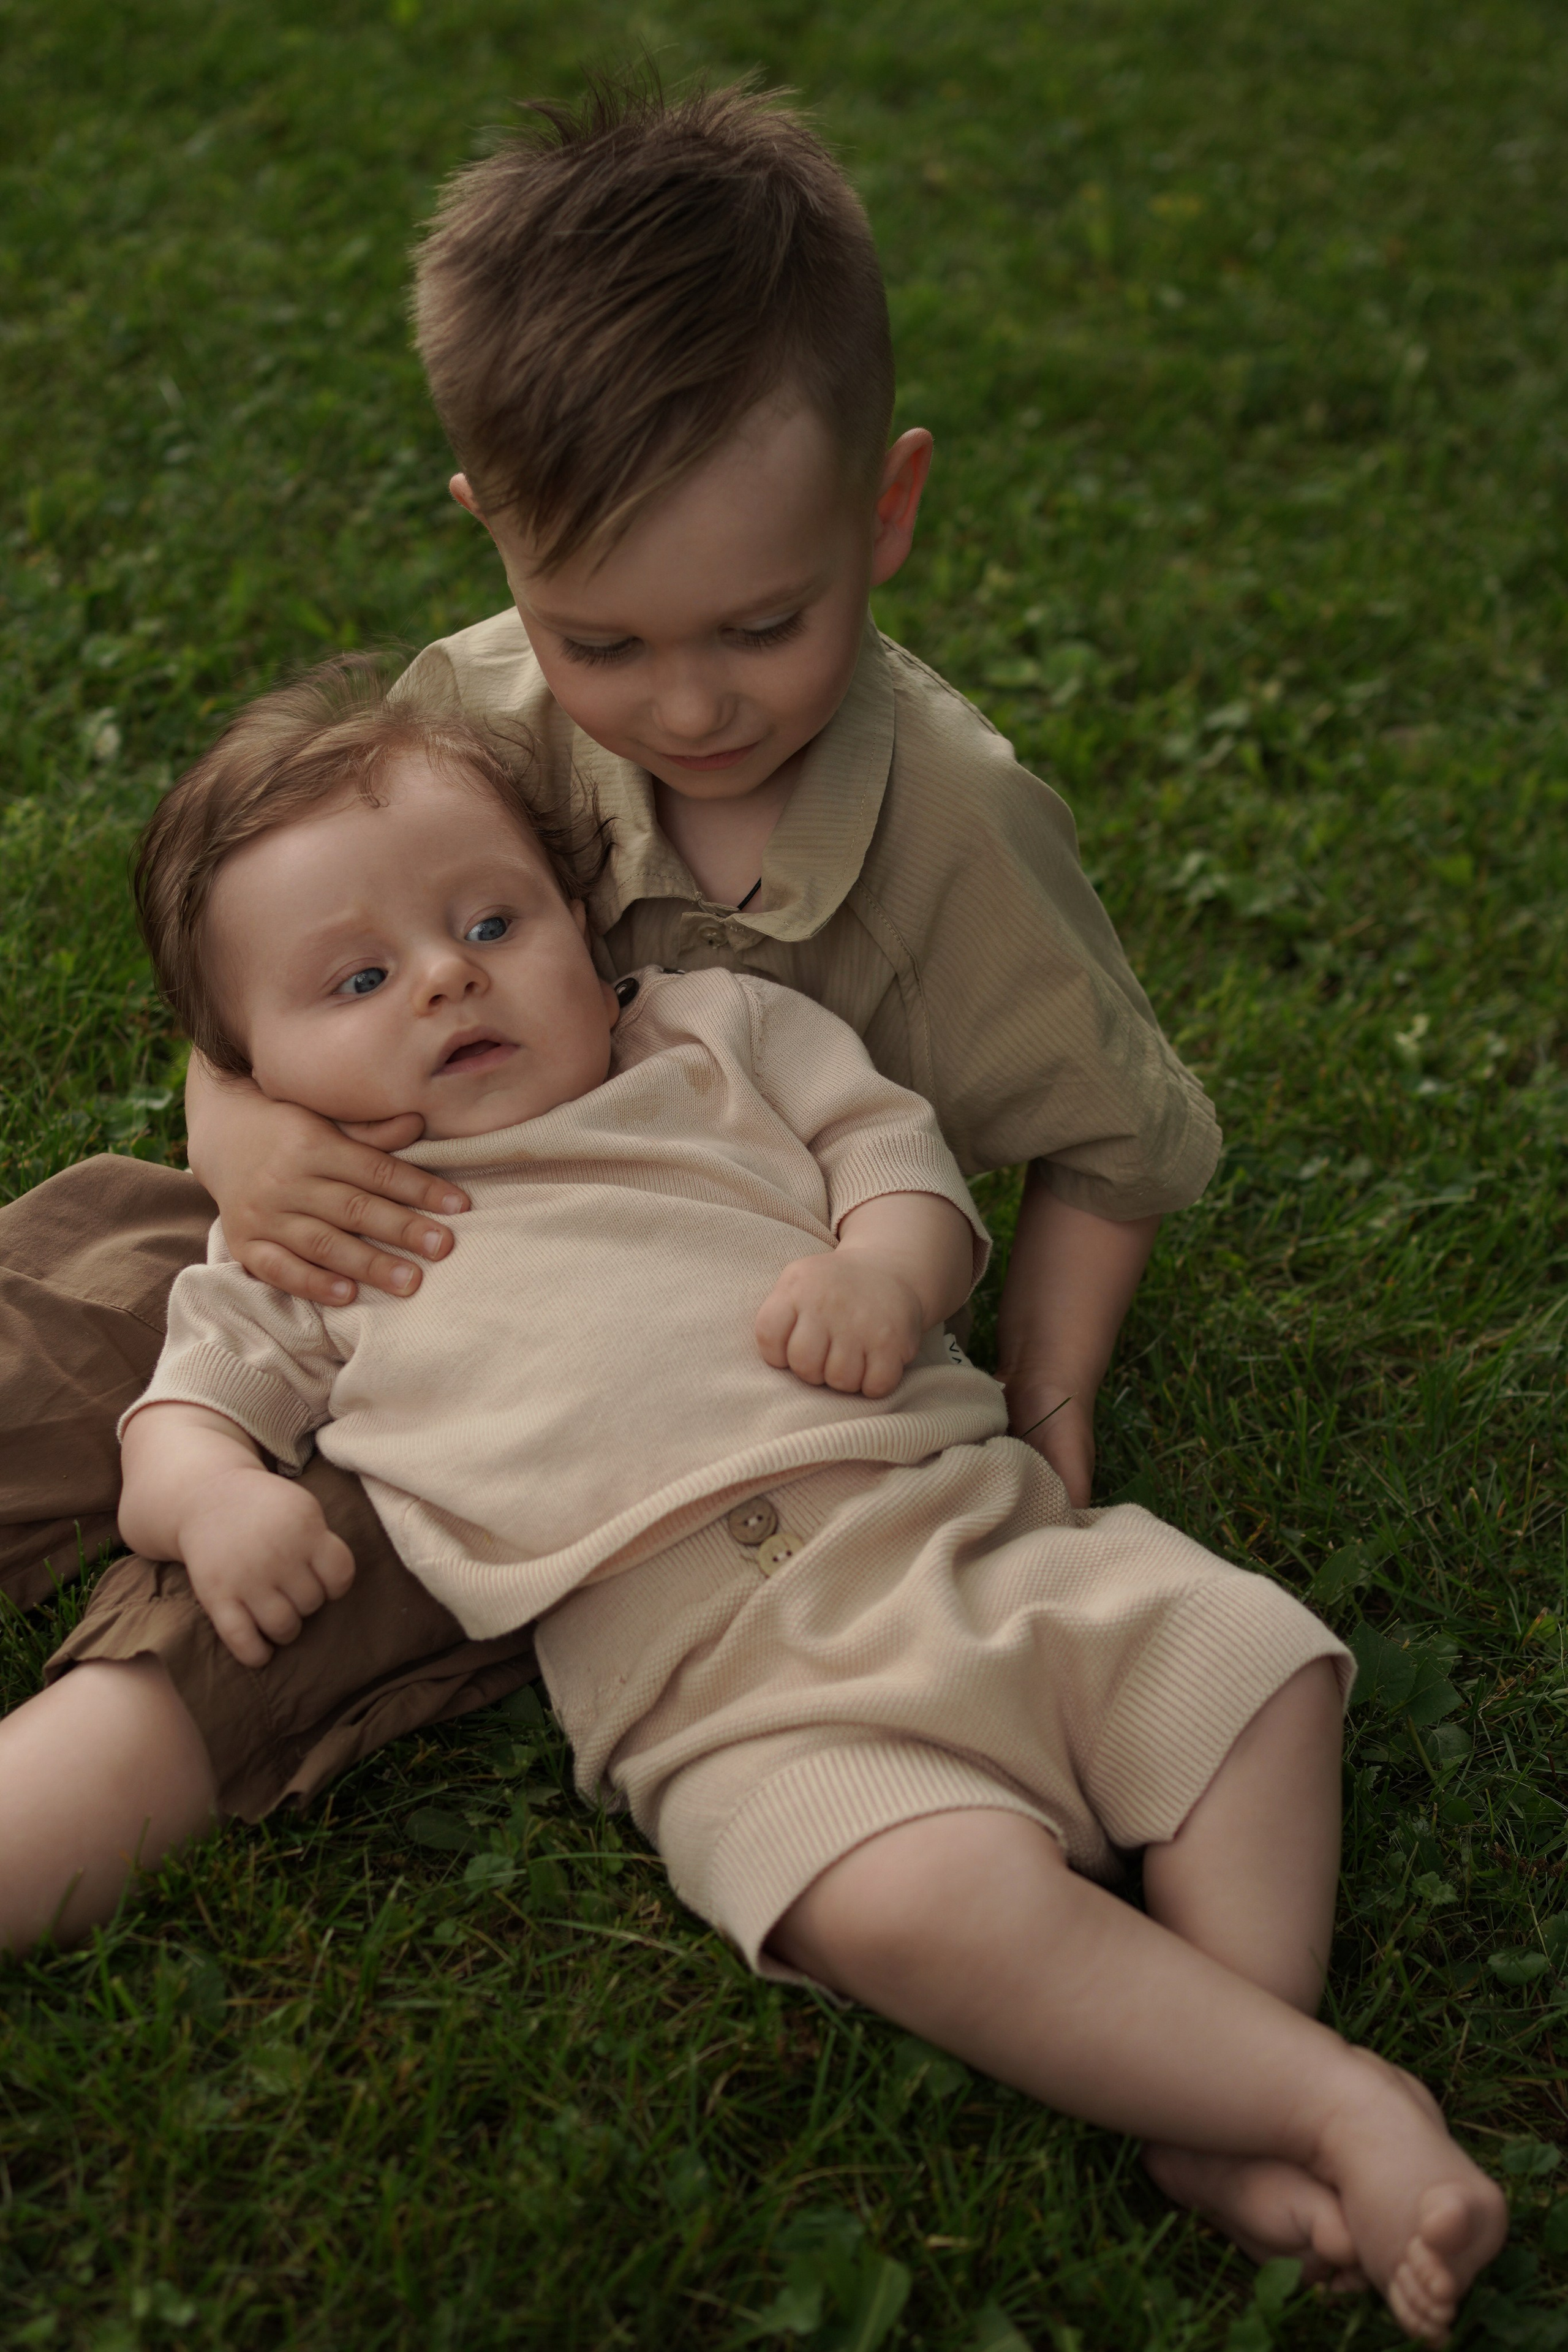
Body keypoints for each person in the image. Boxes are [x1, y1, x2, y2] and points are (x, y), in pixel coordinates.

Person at [0, 665, 1506, 2348]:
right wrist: (212, 1504)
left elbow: (902, 1163)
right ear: (255, 1071)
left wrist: (888, 1260)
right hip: (727, 1686)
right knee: (917, 1905)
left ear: (584, 919)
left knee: (1260, 1674)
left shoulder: (717, 1036)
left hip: (976, 1542)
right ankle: (1322, 2104)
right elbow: (182, 1413)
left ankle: (1224, 2069)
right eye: (359, 979)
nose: (446, 977)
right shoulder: (326, 1229)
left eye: (492, 921)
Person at [0, 72, 1223, 1620]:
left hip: (680, 1335)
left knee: (284, 1556)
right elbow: (275, 962)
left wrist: (1050, 1417)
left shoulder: (956, 826)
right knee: (95, 1268)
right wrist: (239, 1134)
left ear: (885, 511)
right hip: (393, 1197)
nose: (694, 704)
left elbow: (1111, 1149)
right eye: (599, 641)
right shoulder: (469, 710)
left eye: (762, 625)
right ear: (494, 531)